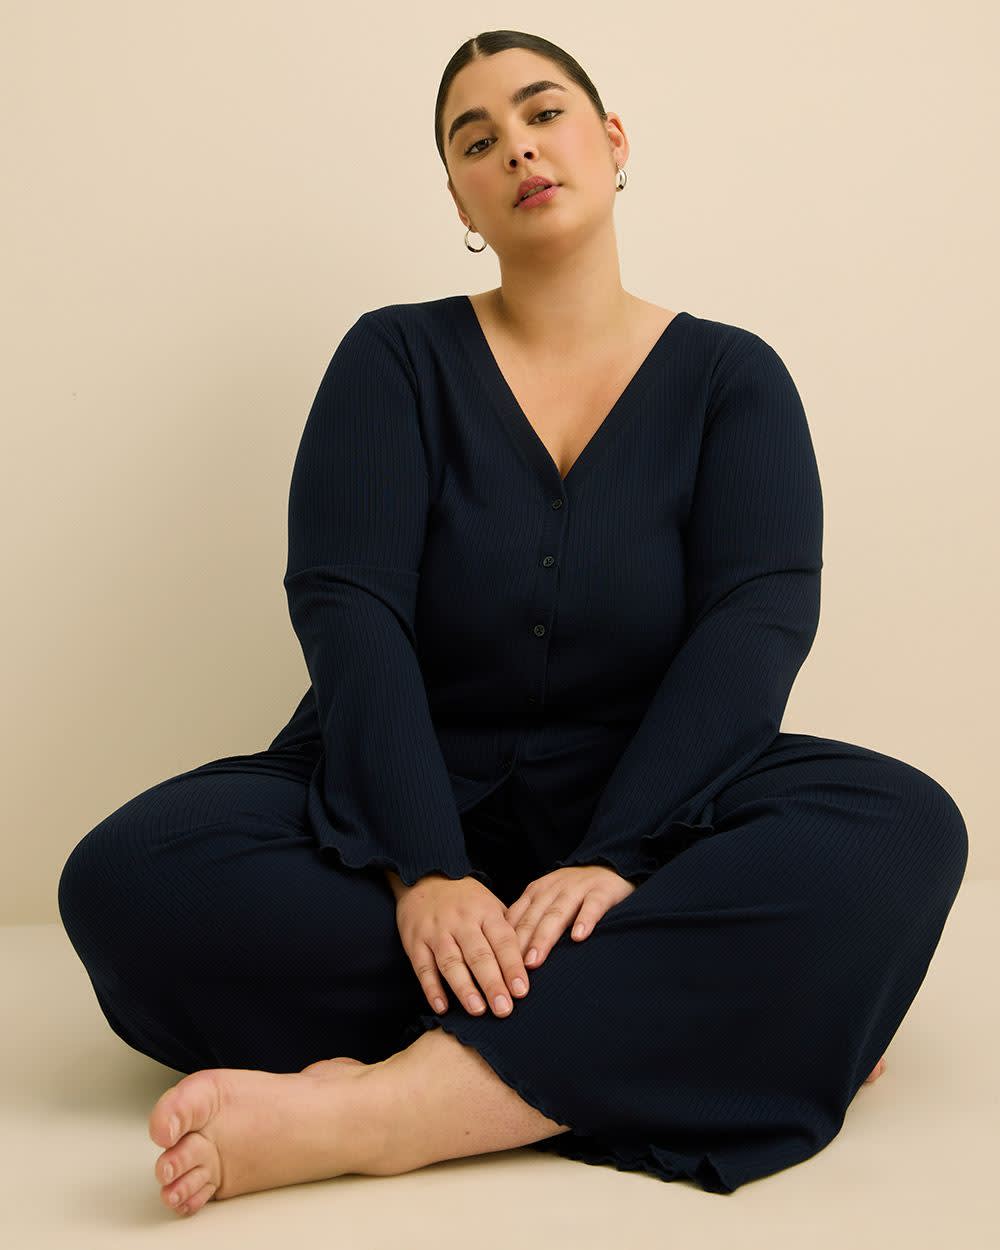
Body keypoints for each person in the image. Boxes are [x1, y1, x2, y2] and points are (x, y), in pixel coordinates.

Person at [57, 30, 967, 1217]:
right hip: (392, 808)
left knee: (900, 827)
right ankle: (745, 1022)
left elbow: (755, 627)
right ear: (459, 199)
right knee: (128, 879)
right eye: (476, 141)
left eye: (542, 113)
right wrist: (426, 868)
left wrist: (615, 856)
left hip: (656, 819)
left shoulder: (732, 379)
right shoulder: (392, 356)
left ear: (612, 139)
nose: (518, 149)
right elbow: (350, 613)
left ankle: (389, 1110)